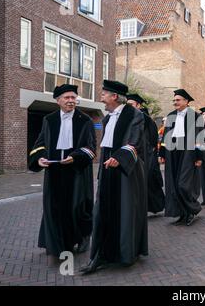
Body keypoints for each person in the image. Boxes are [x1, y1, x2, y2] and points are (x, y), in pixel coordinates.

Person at [81, 80, 148, 274]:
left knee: (125, 212)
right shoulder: (107, 119)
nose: (101, 97)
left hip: (125, 171)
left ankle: (126, 253)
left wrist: (119, 158)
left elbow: (134, 141)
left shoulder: (135, 115)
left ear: (114, 96)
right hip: (108, 170)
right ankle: (101, 254)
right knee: (102, 211)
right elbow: (106, 147)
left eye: (104, 94)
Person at [28, 84, 96, 263]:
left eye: (73, 98)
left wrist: (75, 157)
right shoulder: (49, 119)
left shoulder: (85, 120)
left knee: (77, 207)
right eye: (67, 98)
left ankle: (82, 238)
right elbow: (40, 143)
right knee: (54, 208)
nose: (71, 101)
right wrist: (40, 158)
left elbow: (90, 148)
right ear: (58, 100)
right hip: (54, 171)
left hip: (77, 171)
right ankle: (57, 244)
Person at [159, 89, 203, 226]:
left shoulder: (195, 116)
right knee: (173, 183)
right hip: (172, 152)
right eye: (174, 100)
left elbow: (199, 139)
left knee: (184, 184)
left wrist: (198, 156)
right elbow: (166, 136)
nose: (175, 102)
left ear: (186, 101)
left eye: (178, 100)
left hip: (188, 153)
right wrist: (162, 153)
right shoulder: (171, 115)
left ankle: (192, 210)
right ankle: (182, 213)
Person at [127, 94, 165, 215]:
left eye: (131, 104)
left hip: (146, 155)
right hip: (134, 153)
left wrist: (149, 153)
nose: (129, 107)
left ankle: (153, 206)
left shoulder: (146, 119)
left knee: (148, 181)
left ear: (138, 105)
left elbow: (153, 139)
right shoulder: (129, 117)